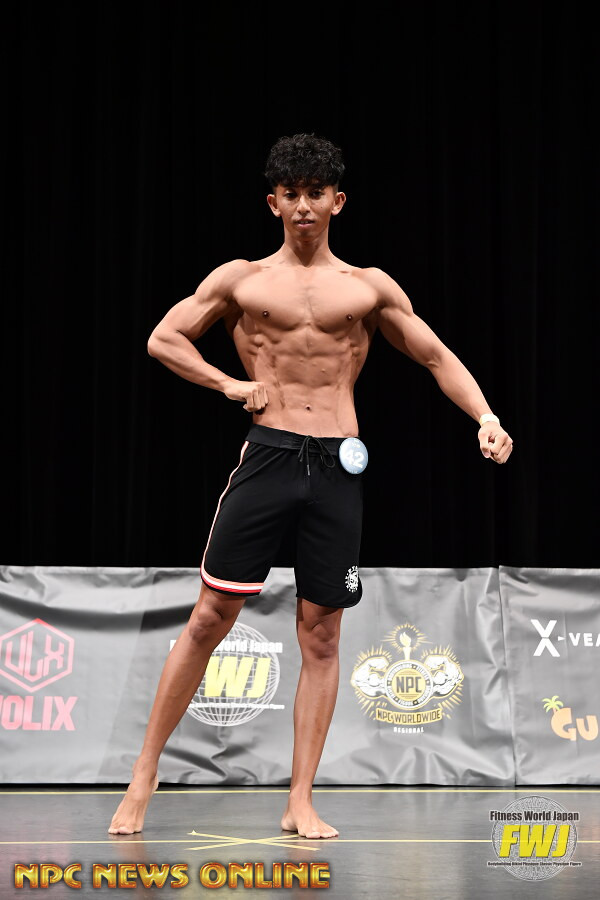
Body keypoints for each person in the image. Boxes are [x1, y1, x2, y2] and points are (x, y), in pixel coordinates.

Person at [108, 132, 513, 839]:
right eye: (290, 193)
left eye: (315, 193)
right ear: (273, 203)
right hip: (267, 455)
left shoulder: (367, 286)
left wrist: (486, 416)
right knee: (209, 618)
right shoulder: (241, 280)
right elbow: (163, 338)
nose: (302, 205)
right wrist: (229, 383)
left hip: (336, 464)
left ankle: (300, 800)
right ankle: (144, 774)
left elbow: (435, 355)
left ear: (337, 201)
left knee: (321, 635)